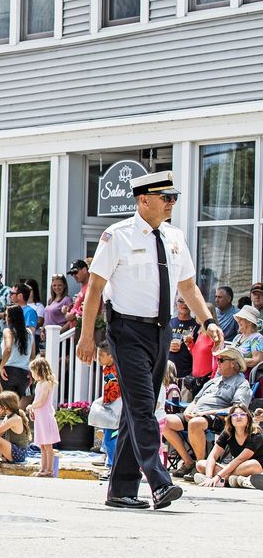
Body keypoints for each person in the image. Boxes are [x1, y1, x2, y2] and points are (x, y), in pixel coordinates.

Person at [78, 171, 224, 511]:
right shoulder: (118, 236)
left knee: (136, 409)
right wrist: (87, 336)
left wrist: (208, 321)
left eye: (174, 198)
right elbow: (95, 288)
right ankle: (159, 482)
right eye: (166, 198)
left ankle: (121, 489)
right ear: (144, 200)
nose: (172, 203)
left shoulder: (174, 236)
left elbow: (188, 286)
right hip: (126, 330)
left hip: (162, 330)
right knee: (144, 407)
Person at [163, 346, 253, 476]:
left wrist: (203, 414)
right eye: (217, 359)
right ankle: (189, 462)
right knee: (163, 421)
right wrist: (188, 411)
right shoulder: (213, 382)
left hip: (218, 418)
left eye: (221, 360)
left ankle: (201, 465)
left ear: (234, 363)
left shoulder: (241, 383)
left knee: (195, 423)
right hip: (196, 414)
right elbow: (195, 401)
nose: (218, 363)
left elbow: (236, 409)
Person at [192, 402, 263, 489]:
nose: (239, 417)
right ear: (230, 419)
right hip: (235, 468)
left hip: (254, 468)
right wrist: (208, 477)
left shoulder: (256, 435)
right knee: (200, 464)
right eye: (235, 415)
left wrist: (217, 476)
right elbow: (213, 456)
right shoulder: (228, 433)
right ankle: (237, 480)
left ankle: (223, 480)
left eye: (243, 415)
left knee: (253, 464)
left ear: (248, 418)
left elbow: (239, 459)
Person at [28, 357, 60, 477]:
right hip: (40, 417)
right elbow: (38, 400)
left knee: (48, 445)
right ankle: (43, 468)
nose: (32, 374)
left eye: (33, 371)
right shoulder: (39, 384)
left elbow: (41, 401)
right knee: (42, 444)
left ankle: (49, 470)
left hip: (46, 416)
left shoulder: (47, 384)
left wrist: (31, 406)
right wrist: (33, 410)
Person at [0, 305, 34, 403]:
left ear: (10, 318)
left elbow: (8, 348)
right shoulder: (29, 333)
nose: (5, 318)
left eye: (6, 315)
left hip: (9, 371)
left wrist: (1, 366)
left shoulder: (8, 331)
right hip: (24, 373)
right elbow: (32, 356)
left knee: (5, 404)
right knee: (17, 406)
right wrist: (31, 372)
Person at [168, 297, 198, 380]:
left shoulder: (196, 325)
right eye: (181, 301)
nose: (184, 304)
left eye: (187, 301)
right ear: (176, 304)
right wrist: (168, 346)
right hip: (168, 370)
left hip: (187, 372)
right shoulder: (170, 322)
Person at [230, 306, 263, 372]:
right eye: (238, 318)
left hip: (244, 375)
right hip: (231, 371)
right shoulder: (238, 337)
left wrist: (236, 361)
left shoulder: (257, 338)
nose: (238, 321)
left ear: (250, 322)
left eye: (241, 319)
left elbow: (257, 360)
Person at [63, 258, 90, 330]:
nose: (74, 275)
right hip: (77, 332)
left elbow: (90, 311)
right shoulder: (84, 287)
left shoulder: (91, 287)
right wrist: (69, 310)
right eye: (72, 274)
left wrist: (72, 315)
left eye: (75, 272)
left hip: (84, 332)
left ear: (84, 270)